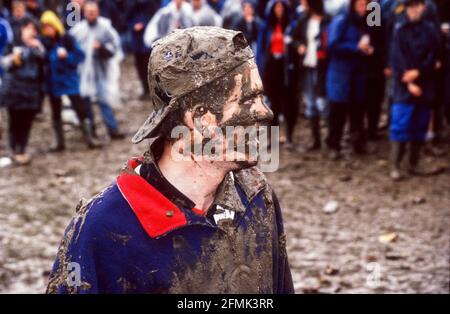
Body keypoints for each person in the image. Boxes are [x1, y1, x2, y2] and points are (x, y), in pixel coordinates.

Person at [46, 26, 294, 294]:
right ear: (201, 119)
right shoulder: (102, 228)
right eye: (249, 99)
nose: (266, 112)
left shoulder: (256, 197)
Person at [389, 0, 439, 180]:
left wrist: (420, 72)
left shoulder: (430, 28)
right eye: (411, 6)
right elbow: (395, 56)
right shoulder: (394, 22)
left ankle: (414, 163)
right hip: (402, 82)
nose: (415, 10)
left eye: (417, 6)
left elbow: (435, 55)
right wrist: (407, 80)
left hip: (424, 82)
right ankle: (395, 164)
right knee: (400, 123)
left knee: (420, 123)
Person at [41, 10, 99, 151]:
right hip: (53, 83)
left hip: (69, 81)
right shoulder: (44, 43)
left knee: (80, 109)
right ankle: (59, 142)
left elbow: (80, 55)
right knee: (56, 113)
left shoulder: (67, 39)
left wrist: (66, 57)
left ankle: (89, 138)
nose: (47, 30)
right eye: (44, 27)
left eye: (49, 26)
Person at [69, 0, 125, 140]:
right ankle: (91, 132)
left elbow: (114, 48)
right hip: (83, 73)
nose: (91, 15)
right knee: (85, 103)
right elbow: (71, 49)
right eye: (88, 12)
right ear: (84, 13)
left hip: (101, 70)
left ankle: (112, 129)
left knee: (104, 100)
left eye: (93, 12)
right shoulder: (77, 31)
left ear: (98, 12)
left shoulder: (106, 28)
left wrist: (101, 48)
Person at [325, 0, 373, 159]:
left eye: (365, 5)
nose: (363, 8)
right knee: (337, 113)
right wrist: (356, 47)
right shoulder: (341, 21)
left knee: (358, 112)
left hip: (358, 75)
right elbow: (332, 45)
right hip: (340, 75)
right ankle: (334, 145)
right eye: (360, 5)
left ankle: (358, 143)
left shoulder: (366, 23)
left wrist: (368, 49)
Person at [0, 17, 45, 165]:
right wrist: (15, 57)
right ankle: (13, 149)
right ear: (22, 29)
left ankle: (22, 148)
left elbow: (43, 63)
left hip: (32, 91)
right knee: (14, 121)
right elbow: (5, 63)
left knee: (27, 121)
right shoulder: (13, 44)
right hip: (14, 89)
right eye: (28, 28)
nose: (30, 32)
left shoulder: (38, 46)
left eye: (33, 29)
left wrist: (36, 48)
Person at [292, 0, 330, 150]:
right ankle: (316, 139)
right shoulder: (303, 20)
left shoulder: (328, 19)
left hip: (323, 67)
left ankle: (329, 138)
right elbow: (294, 38)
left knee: (324, 103)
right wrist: (299, 46)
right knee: (310, 103)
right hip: (307, 66)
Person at [257, 0, 289, 136]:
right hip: (271, 67)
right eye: (277, 6)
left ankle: (286, 134)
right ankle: (272, 134)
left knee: (285, 101)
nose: (279, 9)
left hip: (285, 67)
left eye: (282, 6)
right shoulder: (266, 26)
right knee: (272, 101)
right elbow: (260, 47)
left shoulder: (290, 25)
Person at [127, 0, 158, 99]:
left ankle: (153, 90)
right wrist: (133, 25)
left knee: (149, 67)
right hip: (137, 41)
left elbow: (155, 19)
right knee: (140, 67)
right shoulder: (132, 5)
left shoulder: (151, 4)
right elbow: (125, 19)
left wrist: (144, 24)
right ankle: (145, 89)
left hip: (148, 42)